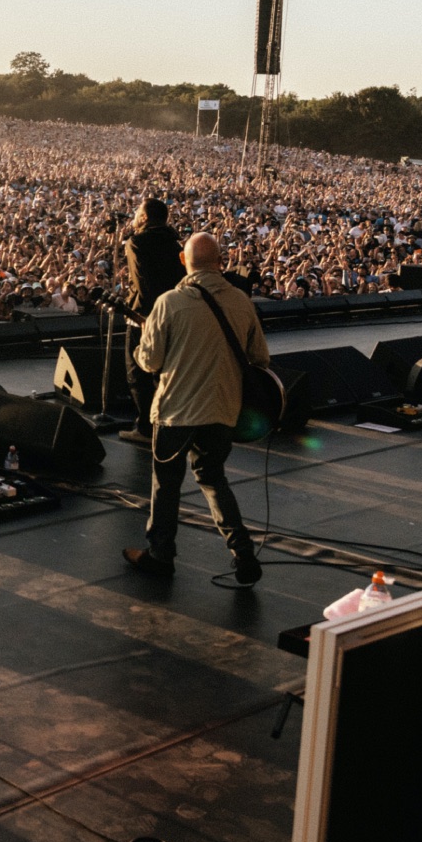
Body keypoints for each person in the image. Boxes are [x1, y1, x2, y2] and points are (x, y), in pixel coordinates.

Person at [124, 231, 266, 586]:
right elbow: (260, 358)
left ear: (184, 261)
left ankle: (160, 555)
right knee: (214, 479)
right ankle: (243, 553)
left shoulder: (169, 302)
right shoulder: (241, 301)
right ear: (221, 261)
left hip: (176, 411)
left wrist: (145, 340)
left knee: (166, 486)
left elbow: (150, 362)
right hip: (222, 410)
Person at [119, 198, 185, 446]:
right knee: (163, 373)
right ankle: (164, 423)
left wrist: (143, 315)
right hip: (172, 312)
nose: (135, 216)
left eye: (138, 212)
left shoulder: (136, 242)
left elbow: (142, 283)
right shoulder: (174, 241)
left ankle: (146, 429)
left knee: (137, 372)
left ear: (145, 217)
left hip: (143, 317)